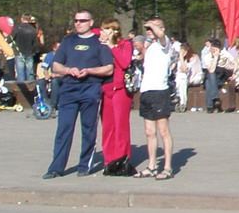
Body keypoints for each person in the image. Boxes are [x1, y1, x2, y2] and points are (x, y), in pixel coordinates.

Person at [43, 9, 114, 179]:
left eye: (82, 20)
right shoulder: (68, 41)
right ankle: (56, 167)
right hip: (69, 88)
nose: (79, 24)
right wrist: (69, 70)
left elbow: (108, 68)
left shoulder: (99, 42)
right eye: (76, 20)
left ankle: (84, 165)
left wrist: (89, 71)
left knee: (88, 129)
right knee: (64, 129)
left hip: (90, 88)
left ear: (91, 22)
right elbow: (56, 66)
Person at [133, 17, 178, 179]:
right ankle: (151, 166)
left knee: (163, 130)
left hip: (160, 92)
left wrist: (152, 25)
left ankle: (167, 167)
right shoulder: (150, 47)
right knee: (149, 131)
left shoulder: (164, 44)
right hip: (147, 91)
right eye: (148, 29)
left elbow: (160, 35)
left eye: (153, 28)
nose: (150, 31)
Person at [99, 19, 134, 175]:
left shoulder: (125, 44)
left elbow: (125, 63)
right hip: (105, 89)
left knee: (121, 126)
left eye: (107, 29)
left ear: (115, 31)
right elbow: (90, 30)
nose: (103, 32)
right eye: (103, 29)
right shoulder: (100, 45)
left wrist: (112, 46)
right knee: (108, 127)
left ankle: (122, 159)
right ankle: (109, 160)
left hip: (121, 89)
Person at [12, 14, 40, 82]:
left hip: (19, 53)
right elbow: (36, 44)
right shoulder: (33, 30)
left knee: (20, 73)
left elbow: (10, 39)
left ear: (22, 19)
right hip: (30, 53)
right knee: (30, 73)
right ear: (30, 20)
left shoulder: (17, 28)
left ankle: (22, 87)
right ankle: (31, 87)